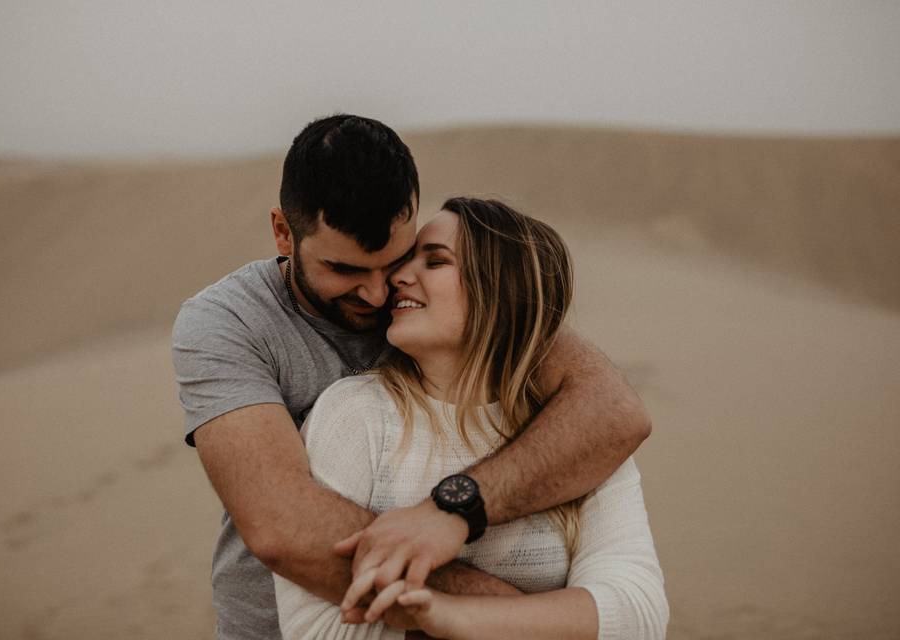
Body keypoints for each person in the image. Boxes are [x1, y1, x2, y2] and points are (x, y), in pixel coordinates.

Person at [172, 115, 652, 640]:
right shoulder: (229, 322)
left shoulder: (437, 302)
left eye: (395, 260)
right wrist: (515, 616)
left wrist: (454, 510)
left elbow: (614, 410)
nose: (379, 294)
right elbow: (285, 529)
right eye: (346, 270)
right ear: (284, 233)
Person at [273, 198, 668, 639]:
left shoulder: (572, 435)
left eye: (436, 261)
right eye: (407, 261)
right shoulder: (354, 414)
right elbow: (317, 629)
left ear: (500, 289)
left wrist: (451, 617)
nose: (397, 278)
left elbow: (636, 617)